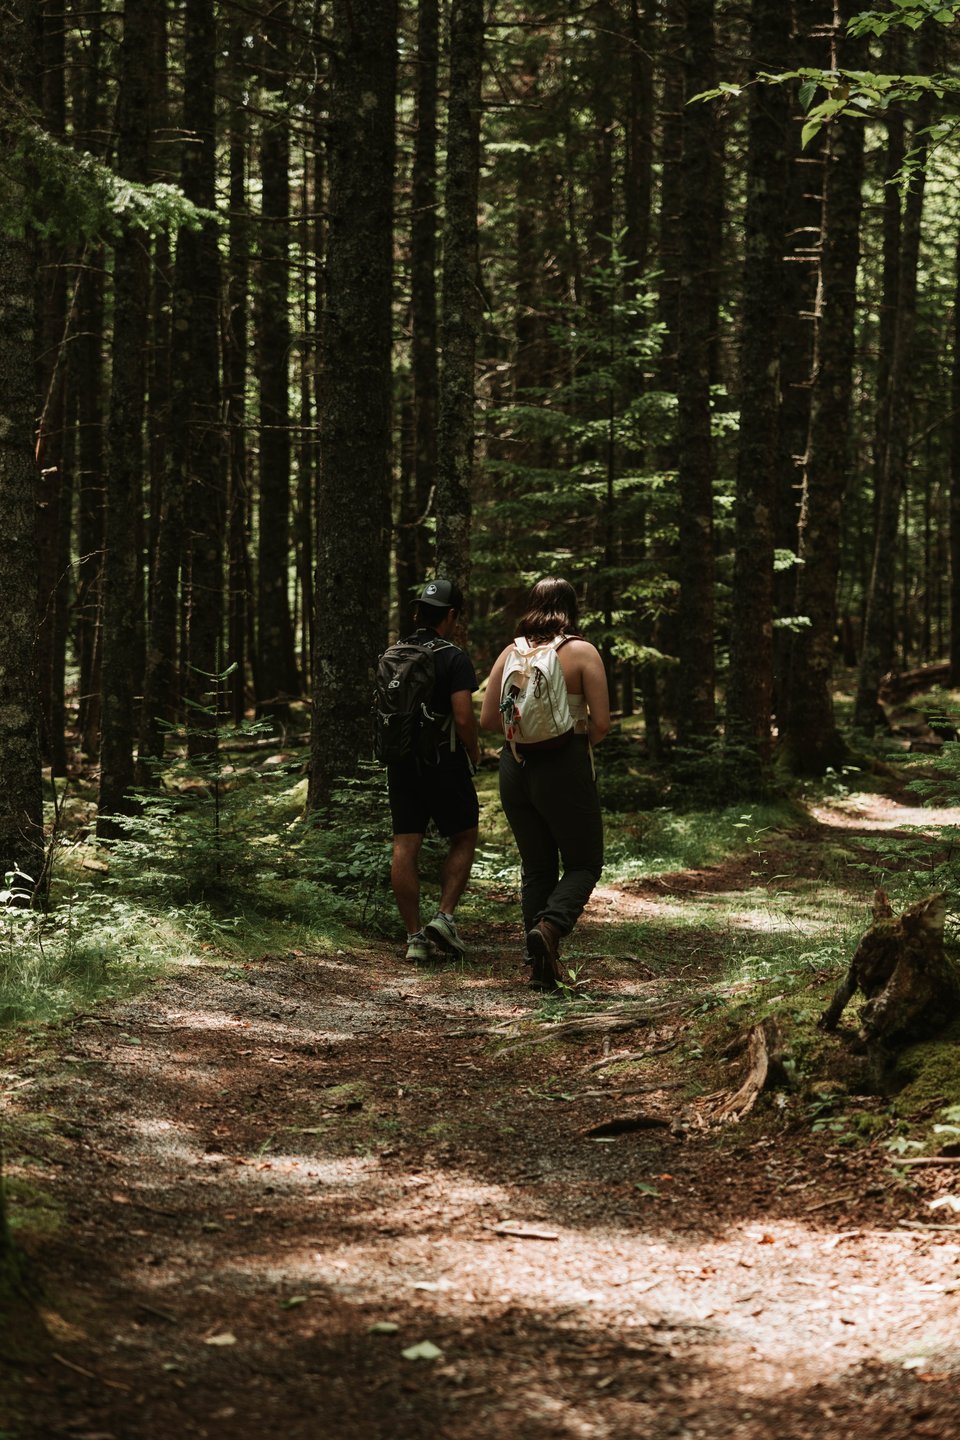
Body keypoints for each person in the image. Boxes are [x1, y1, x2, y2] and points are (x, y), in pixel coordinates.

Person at [479, 577, 610, 989]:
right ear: (571, 609)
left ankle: (540, 969)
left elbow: (486, 722)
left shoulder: (510, 652)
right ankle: (551, 928)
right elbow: (602, 725)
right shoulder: (582, 652)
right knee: (584, 863)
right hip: (564, 763)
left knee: (537, 867)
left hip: (515, 768)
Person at [388, 579, 480, 964]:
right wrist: (474, 753)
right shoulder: (454, 657)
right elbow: (462, 715)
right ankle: (443, 917)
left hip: (401, 761)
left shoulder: (393, 654)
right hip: (444, 761)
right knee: (464, 835)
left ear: (417, 613)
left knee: (405, 845)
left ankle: (414, 939)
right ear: (452, 615)